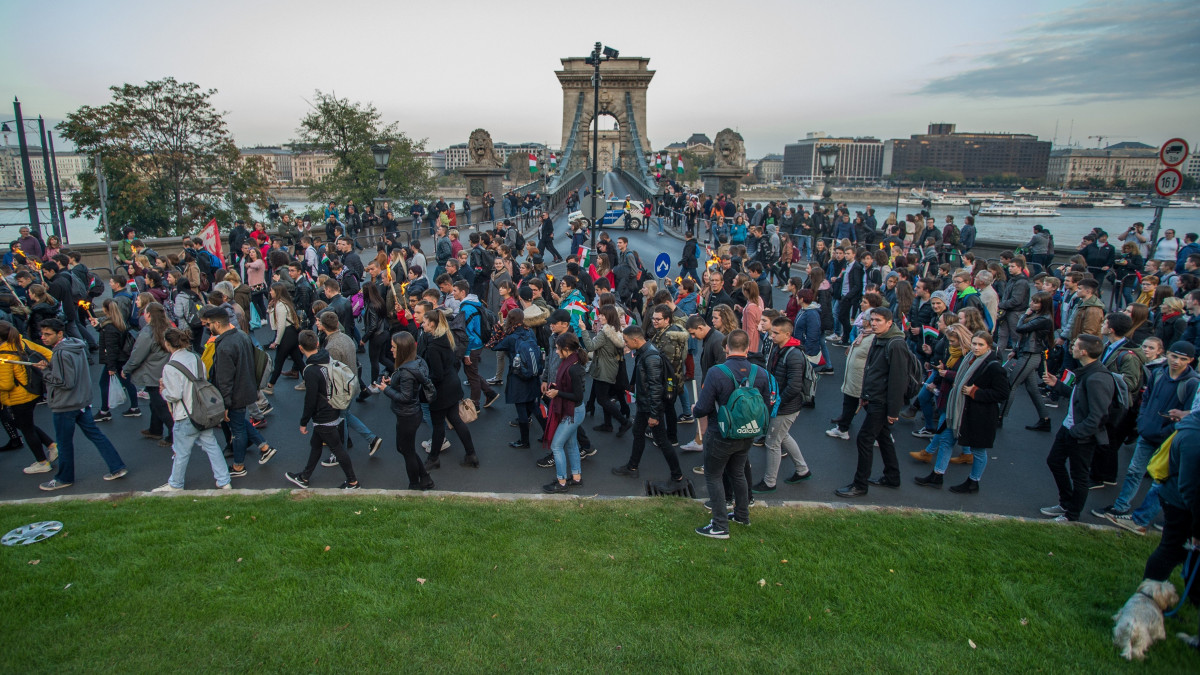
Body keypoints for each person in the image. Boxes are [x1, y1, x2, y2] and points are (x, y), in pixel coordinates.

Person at [1095, 341, 1199, 525]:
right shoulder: (1158, 373)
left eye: (1183, 359)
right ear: (1167, 354)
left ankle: (1159, 516)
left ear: (1190, 361)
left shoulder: (1192, 384)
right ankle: (1121, 506)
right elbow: (1147, 398)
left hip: (1170, 438)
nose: (1176, 361)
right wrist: (1142, 421)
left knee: (1160, 479)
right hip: (1147, 431)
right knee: (1134, 471)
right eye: (1174, 356)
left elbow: (1190, 414)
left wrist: (1166, 430)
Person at [692, 329, 773, 539]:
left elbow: (703, 408)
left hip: (721, 433)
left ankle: (719, 525)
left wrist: (695, 409)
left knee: (714, 475)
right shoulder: (761, 373)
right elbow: (766, 406)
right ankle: (741, 515)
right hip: (747, 434)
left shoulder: (717, 372)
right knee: (738, 472)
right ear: (748, 348)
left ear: (726, 348)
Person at [35, 319, 127, 491]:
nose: (43, 338)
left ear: (60, 333)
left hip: (66, 405)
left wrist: (45, 372)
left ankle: (64, 477)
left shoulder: (60, 353)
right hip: (82, 402)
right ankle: (117, 466)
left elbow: (65, 381)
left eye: (48, 334)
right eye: (43, 334)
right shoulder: (76, 347)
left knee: (64, 443)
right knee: (96, 435)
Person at [914, 331, 1010, 493]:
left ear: (989, 346)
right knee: (946, 441)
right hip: (959, 411)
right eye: (974, 344)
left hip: (979, 415)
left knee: (978, 450)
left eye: (981, 345)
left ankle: (973, 482)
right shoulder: (968, 359)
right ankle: (937, 475)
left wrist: (976, 392)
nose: (976, 347)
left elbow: (1002, 394)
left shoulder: (993, 366)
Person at [1039, 334, 1115, 522]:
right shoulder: (1086, 371)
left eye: (1075, 345)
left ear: (1083, 352)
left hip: (1081, 435)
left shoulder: (1098, 378)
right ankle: (1065, 503)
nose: (1071, 347)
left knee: (1079, 476)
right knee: (1054, 461)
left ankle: (1072, 515)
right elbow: (1077, 396)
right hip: (1070, 428)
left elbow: (1098, 416)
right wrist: (1057, 385)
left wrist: (1076, 432)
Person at [835, 308, 909, 498]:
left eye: (878, 320)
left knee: (864, 439)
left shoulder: (896, 344)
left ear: (889, 322)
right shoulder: (879, 337)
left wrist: (893, 410)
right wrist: (864, 395)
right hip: (872, 397)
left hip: (882, 402)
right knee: (883, 437)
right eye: (872, 319)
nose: (874, 323)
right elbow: (871, 370)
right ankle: (892, 476)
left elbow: (898, 380)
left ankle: (860, 485)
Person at [152, 328, 232, 491]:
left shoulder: (170, 367)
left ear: (168, 344)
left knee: (181, 452)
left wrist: (163, 391)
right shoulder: (196, 358)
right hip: (203, 411)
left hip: (185, 414)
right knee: (212, 446)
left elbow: (174, 395)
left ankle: (176, 483)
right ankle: (224, 480)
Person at [205, 307, 277, 477]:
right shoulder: (241, 335)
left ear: (217, 323)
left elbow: (224, 379)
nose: (208, 327)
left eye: (209, 324)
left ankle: (239, 466)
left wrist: (225, 404)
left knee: (237, 431)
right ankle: (264, 447)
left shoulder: (223, 347)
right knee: (240, 422)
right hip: (246, 388)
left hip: (233, 395)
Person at [284, 330, 359, 489]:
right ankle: (304, 476)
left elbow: (310, 400)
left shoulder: (310, 370)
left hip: (323, 415)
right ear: (317, 344)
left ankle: (353, 481)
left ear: (300, 348)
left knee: (338, 449)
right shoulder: (327, 358)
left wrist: (304, 421)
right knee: (316, 444)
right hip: (334, 407)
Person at [611, 325, 684, 485]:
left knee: (663, 441)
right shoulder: (645, 351)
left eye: (626, 341)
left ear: (635, 340)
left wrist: (654, 415)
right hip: (645, 406)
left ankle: (677, 476)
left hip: (650, 408)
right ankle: (632, 467)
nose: (625, 344)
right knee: (638, 433)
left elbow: (656, 388)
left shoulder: (650, 357)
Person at [754, 316, 813, 492]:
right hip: (781, 404)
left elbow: (794, 387)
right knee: (783, 436)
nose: (771, 336)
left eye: (775, 333)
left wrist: (776, 404)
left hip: (785, 407)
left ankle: (769, 482)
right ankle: (802, 470)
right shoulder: (780, 348)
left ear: (787, 334)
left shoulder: (793, 355)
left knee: (772, 443)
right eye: (772, 332)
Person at [419, 308, 479, 469]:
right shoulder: (446, 337)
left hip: (441, 391)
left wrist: (423, 382)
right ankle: (471, 454)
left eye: (424, 322)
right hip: (452, 385)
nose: (422, 324)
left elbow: (436, 374)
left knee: (438, 427)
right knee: (456, 421)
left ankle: (433, 459)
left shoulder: (432, 347)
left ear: (432, 324)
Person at [382, 331, 437, 490]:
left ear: (402, 350)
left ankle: (415, 484)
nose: (391, 350)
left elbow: (405, 397)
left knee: (407, 450)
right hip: (409, 414)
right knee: (404, 448)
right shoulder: (415, 363)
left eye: (393, 347)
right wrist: (392, 382)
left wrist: (386, 389)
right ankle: (425, 479)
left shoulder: (406, 371)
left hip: (408, 415)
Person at [0, 321, 56, 474]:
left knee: (27, 429)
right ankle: (52, 446)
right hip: (33, 391)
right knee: (26, 425)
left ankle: (42, 462)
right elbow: (48, 353)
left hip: (18, 397)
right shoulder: (21, 342)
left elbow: (6, 385)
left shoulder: (3, 355)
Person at [122, 302, 173, 447]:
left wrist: (126, 368)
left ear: (149, 315)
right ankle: (155, 429)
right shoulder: (167, 327)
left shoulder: (148, 332)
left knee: (160, 405)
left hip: (152, 374)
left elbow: (137, 355)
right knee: (155, 403)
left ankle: (173, 434)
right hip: (164, 371)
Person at [542, 332, 588, 492]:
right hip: (574, 410)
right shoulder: (572, 362)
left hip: (573, 411)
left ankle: (561, 483)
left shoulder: (573, 369)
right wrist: (558, 387)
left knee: (556, 446)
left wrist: (557, 393)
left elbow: (577, 396)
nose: (556, 352)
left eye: (557, 349)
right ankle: (576, 478)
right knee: (571, 443)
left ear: (566, 349)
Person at [1004, 292, 1055, 431]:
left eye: (1036, 302)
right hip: (1026, 352)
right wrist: (1015, 350)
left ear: (1043, 305)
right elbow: (1024, 336)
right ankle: (1045, 419)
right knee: (1032, 389)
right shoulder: (1039, 316)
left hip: (1030, 354)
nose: (1032, 304)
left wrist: (1025, 315)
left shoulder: (1044, 319)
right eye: (1032, 301)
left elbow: (1020, 329)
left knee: (1012, 384)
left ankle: (1000, 415)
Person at [90, 298, 140, 422]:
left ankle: (104, 410)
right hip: (122, 358)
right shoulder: (119, 322)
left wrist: (111, 367)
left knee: (103, 383)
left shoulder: (108, 327)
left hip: (114, 360)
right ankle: (134, 407)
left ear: (105, 310)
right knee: (127, 382)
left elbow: (111, 349)